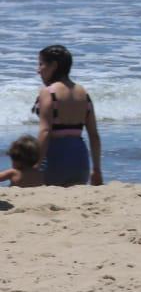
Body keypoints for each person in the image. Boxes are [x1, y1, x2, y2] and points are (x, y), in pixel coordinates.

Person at [33, 45, 102, 186]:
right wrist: (96, 170)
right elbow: (94, 135)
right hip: (81, 164)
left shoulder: (48, 93)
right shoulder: (83, 93)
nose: (38, 70)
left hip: (55, 162)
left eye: (41, 64)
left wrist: (35, 165)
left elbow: (45, 132)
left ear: (54, 66)